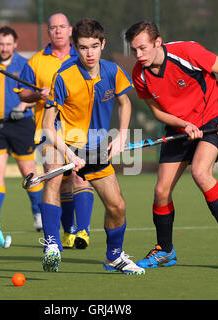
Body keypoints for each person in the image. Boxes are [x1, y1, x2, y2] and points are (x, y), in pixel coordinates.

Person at [125, 21, 218, 269]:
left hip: (213, 118)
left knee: (201, 172)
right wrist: (183, 124)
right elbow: (159, 112)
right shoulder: (139, 74)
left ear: (158, 42)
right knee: (161, 191)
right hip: (180, 127)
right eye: (134, 50)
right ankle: (165, 250)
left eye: (142, 48)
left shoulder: (187, 52)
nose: (138, 55)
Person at [39, 18, 144, 275]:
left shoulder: (113, 71)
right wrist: (69, 153)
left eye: (94, 46)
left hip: (97, 147)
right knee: (53, 180)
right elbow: (47, 125)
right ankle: (52, 245)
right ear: (76, 47)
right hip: (65, 141)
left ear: (103, 44)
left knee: (117, 206)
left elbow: (125, 104)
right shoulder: (63, 76)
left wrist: (121, 136)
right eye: (84, 47)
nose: (89, 53)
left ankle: (114, 257)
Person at [18, 13, 95, 249]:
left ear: (70, 30)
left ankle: (82, 230)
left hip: (79, 130)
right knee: (54, 178)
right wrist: (35, 95)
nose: (58, 31)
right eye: (53, 28)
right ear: (48, 31)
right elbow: (22, 93)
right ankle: (59, 236)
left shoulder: (83, 54)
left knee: (78, 175)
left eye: (62, 27)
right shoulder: (35, 61)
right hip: (47, 129)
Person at [0, 26, 43, 234]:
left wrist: (23, 106)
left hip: (22, 124)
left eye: (8, 44)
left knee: (28, 172)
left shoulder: (26, 64)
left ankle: (38, 214)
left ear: (15, 44)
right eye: (1, 44)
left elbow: (38, 95)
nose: (4, 48)